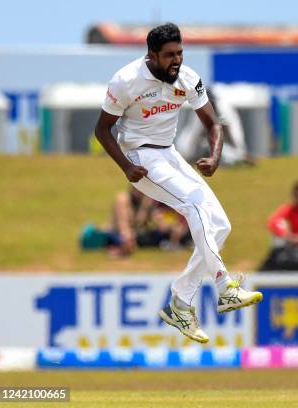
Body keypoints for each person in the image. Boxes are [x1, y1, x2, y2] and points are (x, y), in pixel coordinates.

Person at [94, 23, 262, 344]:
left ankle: (180, 304)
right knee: (194, 207)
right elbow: (102, 130)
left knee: (220, 226)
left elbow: (213, 124)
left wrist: (214, 157)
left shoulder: (187, 77)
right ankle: (225, 287)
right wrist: (126, 166)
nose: (176, 60)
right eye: (169, 55)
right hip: (141, 158)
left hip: (169, 155)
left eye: (180, 53)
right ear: (151, 55)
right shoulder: (126, 81)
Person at [175, 87, 253, 166]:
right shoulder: (200, 110)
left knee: (227, 154)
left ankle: (238, 159)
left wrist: (241, 151)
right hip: (204, 145)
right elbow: (192, 134)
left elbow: (235, 132)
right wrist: (185, 157)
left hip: (224, 145)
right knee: (202, 149)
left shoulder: (224, 110)